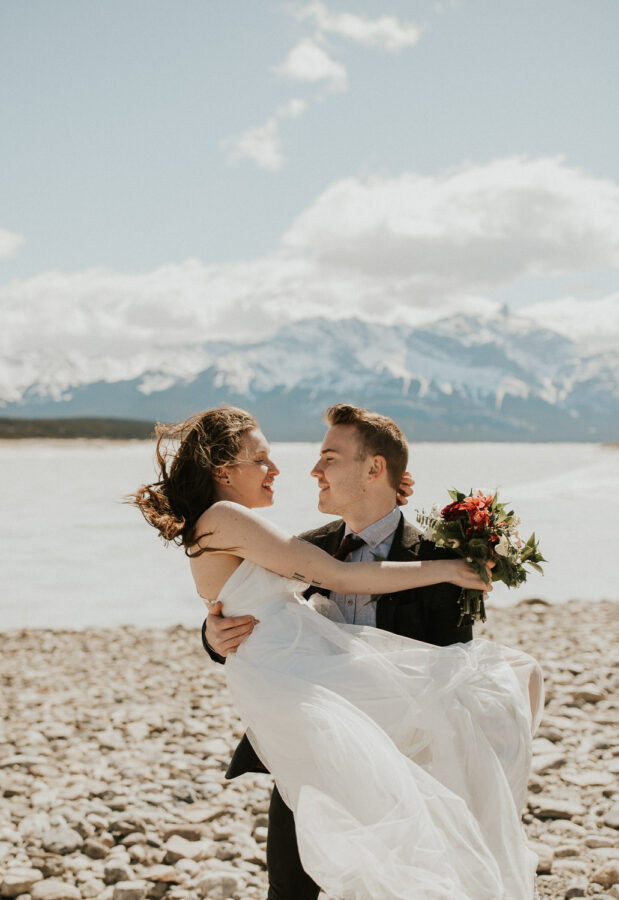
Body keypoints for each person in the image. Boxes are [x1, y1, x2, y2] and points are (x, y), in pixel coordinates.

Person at [131, 404, 543, 900]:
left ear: (375, 469)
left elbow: (448, 661)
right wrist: (212, 636)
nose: (303, 471)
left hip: (396, 741)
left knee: (484, 696)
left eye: (328, 457)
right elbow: (255, 601)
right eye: (262, 460)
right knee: (291, 887)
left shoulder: (434, 551)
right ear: (224, 470)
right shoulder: (297, 543)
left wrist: (450, 568)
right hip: (310, 724)